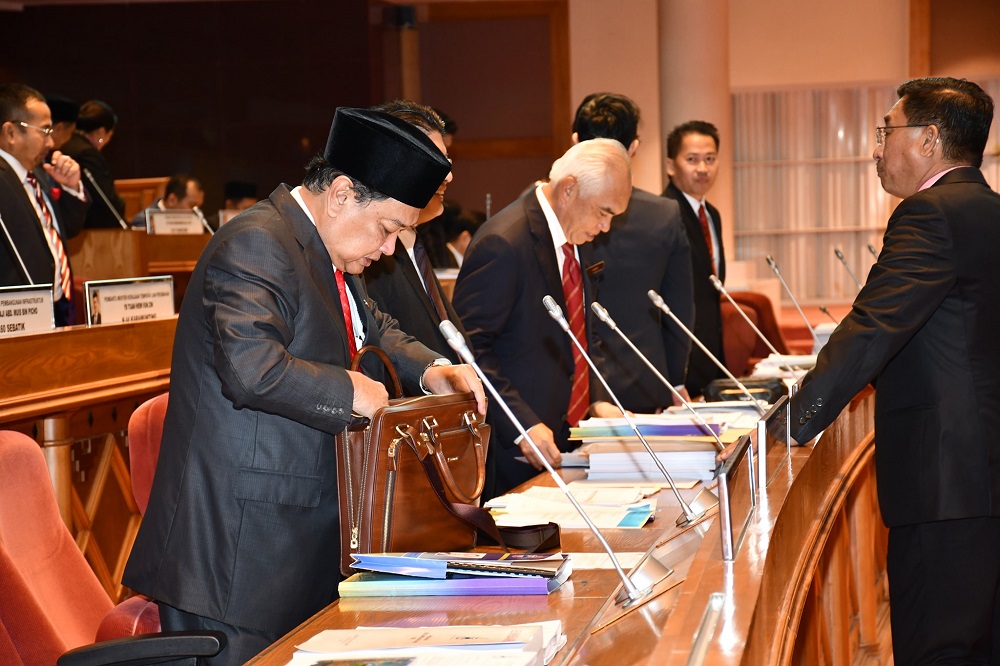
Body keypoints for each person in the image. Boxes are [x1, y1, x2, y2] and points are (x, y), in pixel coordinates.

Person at [122, 107, 485, 665]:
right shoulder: (256, 243)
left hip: (300, 538)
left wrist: (430, 367)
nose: (389, 249)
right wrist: (350, 391)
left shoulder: (322, 246)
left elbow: (373, 327)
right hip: (240, 556)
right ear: (341, 193)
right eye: (389, 229)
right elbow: (251, 367)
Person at [788, 77, 1000, 664]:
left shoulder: (928, 213)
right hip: (981, 479)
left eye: (886, 131)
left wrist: (789, 426)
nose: (876, 148)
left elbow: (872, 327)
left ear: (929, 139)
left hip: (945, 484)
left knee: (939, 649)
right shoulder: (987, 211)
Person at [453, 138, 631, 499]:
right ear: (569, 190)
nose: (606, 226)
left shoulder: (576, 235)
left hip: (569, 441)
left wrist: (597, 396)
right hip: (515, 452)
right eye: (604, 212)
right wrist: (522, 425)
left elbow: (580, 330)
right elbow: (470, 351)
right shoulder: (503, 242)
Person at [578, 93, 695, 413]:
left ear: (574, 142)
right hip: (645, 379)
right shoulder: (664, 214)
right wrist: (675, 380)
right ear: (633, 148)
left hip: (569, 391)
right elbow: (678, 309)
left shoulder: (548, 213)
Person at [363, 100, 469, 365]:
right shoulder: (370, 252)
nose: (448, 176)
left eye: (447, 160)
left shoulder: (413, 238)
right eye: (436, 162)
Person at [0, 83, 89, 327]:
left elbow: (65, 231)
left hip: (55, 305)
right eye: (45, 131)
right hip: (17, 317)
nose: (51, 143)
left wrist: (71, 187)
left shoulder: (36, 173)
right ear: (10, 133)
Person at [662, 120, 726, 397]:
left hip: (711, 360)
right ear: (670, 165)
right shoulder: (662, 216)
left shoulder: (712, 214)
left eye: (710, 159)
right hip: (681, 365)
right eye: (692, 159)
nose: (703, 168)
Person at [60, 99, 126, 229]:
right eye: (109, 135)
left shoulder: (64, 145)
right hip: (92, 230)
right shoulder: (88, 154)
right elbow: (107, 202)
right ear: (101, 132)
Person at [129, 173, 205, 229]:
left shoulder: (198, 224)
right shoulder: (143, 222)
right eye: (192, 205)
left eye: (198, 207)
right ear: (172, 200)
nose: (197, 213)